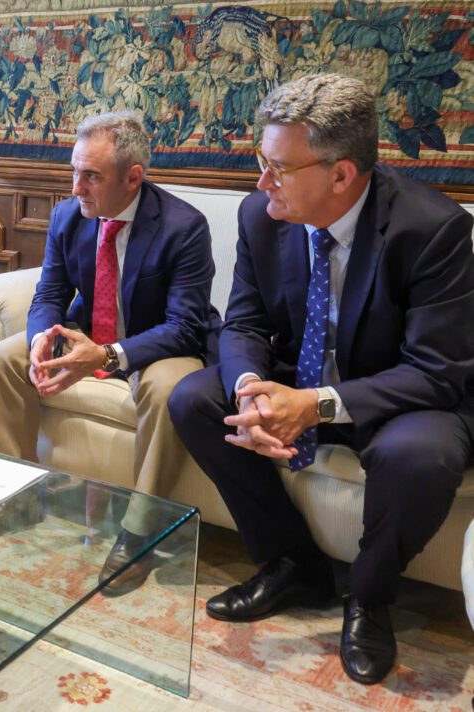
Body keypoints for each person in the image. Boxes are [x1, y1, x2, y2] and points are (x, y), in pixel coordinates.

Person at [168, 73, 474, 685]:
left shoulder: (432, 229)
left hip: (397, 397)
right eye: (261, 161)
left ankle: (369, 596)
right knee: (194, 398)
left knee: (420, 455)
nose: (261, 182)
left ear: (341, 175)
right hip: (299, 376)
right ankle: (294, 565)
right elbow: (244, 322)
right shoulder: (262, 216)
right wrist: (252, 388)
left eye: (278, 167)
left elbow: (437, 372)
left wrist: (315, 405)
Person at [0, 111, 219, 592]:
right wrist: (40, 340)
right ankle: (18, 497)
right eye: (74, 171)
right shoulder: (68, 216)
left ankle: (139, 532)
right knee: (6, 357)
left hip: (158, 346)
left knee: (168, 388)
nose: (76, 187)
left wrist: (107, 356)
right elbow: (49, 295)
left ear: (133, 178)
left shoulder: (183, 226)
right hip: (91, 333)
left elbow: (186, 327)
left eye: (91, 176)